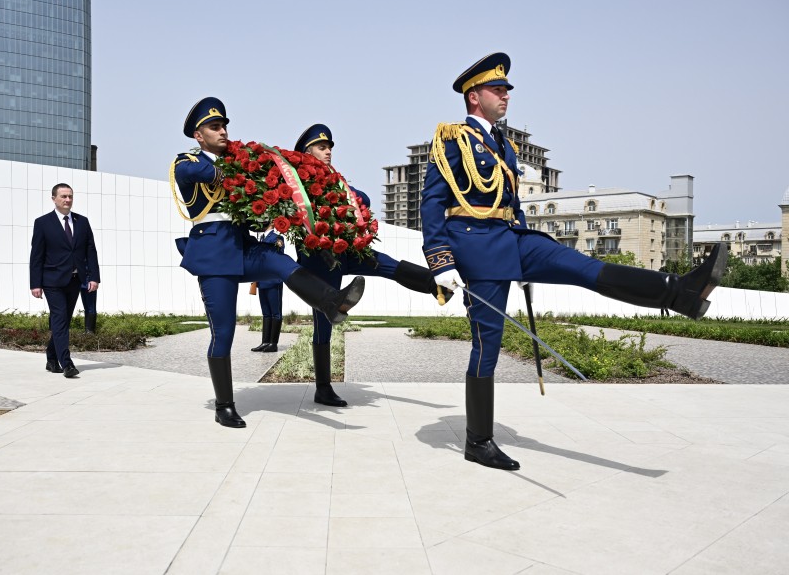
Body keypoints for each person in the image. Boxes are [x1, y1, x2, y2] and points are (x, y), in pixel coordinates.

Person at [420, 52, 727, 471]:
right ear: (474, 97)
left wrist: (525, 253)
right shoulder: (453, 140)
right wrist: (441, 262)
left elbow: (510, 204)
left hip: (513, 240)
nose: (506, 95)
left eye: (507, 89)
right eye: (497, 89)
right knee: (486, 345)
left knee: (582, 267)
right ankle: (478, 440)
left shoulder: (503, 146)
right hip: (476, 250)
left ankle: (680, 293)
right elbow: (432, 204)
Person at [172, 97, 366, 429]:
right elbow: (194, 171)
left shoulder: (233, 162)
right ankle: (224, 405)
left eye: (224, 126)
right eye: (215, 127)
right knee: (224, 333)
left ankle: (331, 303)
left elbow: (251, 214)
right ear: (198, 135)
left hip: (241, 247)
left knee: (280, 261)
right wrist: (233, 170)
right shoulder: (187, 160)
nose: (223, 132)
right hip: (214, 255)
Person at [292, 124, 449, 407]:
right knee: (323, 323)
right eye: (321, 147)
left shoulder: (337, 181)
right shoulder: (295, 183)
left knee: (385, 263)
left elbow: (359, 196)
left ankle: (435, 284)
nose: (328, 152)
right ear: (306, 153)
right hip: (318, 260)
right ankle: (323, 387)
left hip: (346, 250)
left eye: (329, 148)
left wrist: (351, 202)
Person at [30, 183, 100, 379]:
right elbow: (36, 255)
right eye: (63, 196)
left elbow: (90, 251)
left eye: (70, 196)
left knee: (63, 322)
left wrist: (93, 276)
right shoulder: (43, 223)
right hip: (52, 280)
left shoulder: (82, 222)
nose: (67, 200)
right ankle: (66, 363)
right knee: (60, 319)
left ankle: (51, 358)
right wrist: (35, 283)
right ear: (54, 198)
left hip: (75, 280)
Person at [250, 228, 284, 353]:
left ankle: (273, 343)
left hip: (273, 280)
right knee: (266, 313)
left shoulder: (277, 238)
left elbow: (277, 256)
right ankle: (265, 342)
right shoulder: (261, 238)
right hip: (262, 280)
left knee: (275, 313)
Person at [79, 263, 98, 334]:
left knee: (90, 306)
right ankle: (87, 330)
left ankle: (90, 331)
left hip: (89, 280)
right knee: (87, 307)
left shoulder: (88, 253)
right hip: (77, 280)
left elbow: (94, 266)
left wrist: (95, 279)